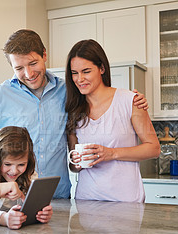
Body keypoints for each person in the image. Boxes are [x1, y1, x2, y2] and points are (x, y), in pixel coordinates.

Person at [0, 29, 149, 199]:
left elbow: (101, 100)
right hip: (14, 197)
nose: (28, 73)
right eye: (19, 68)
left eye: (33, 63)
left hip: (58, 196)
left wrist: (132, 100)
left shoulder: (68, 91)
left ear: (44, 55)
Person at [65, 39, 160, 203]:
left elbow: (154, 148)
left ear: (101, 68)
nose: (79, 79)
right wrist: (77, 163)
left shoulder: (130, 101)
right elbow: (74, 166)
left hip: (126, 201)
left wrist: (113, 153)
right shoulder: (74, 110)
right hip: (86, 200)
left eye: (86, 71)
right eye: (74, 73)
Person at [0, 126, 52, 229]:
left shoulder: (30, 175)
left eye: (21, 165)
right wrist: (4, 218)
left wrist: (42, 213)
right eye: (7, 164)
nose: (14, 171)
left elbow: (33, 208)